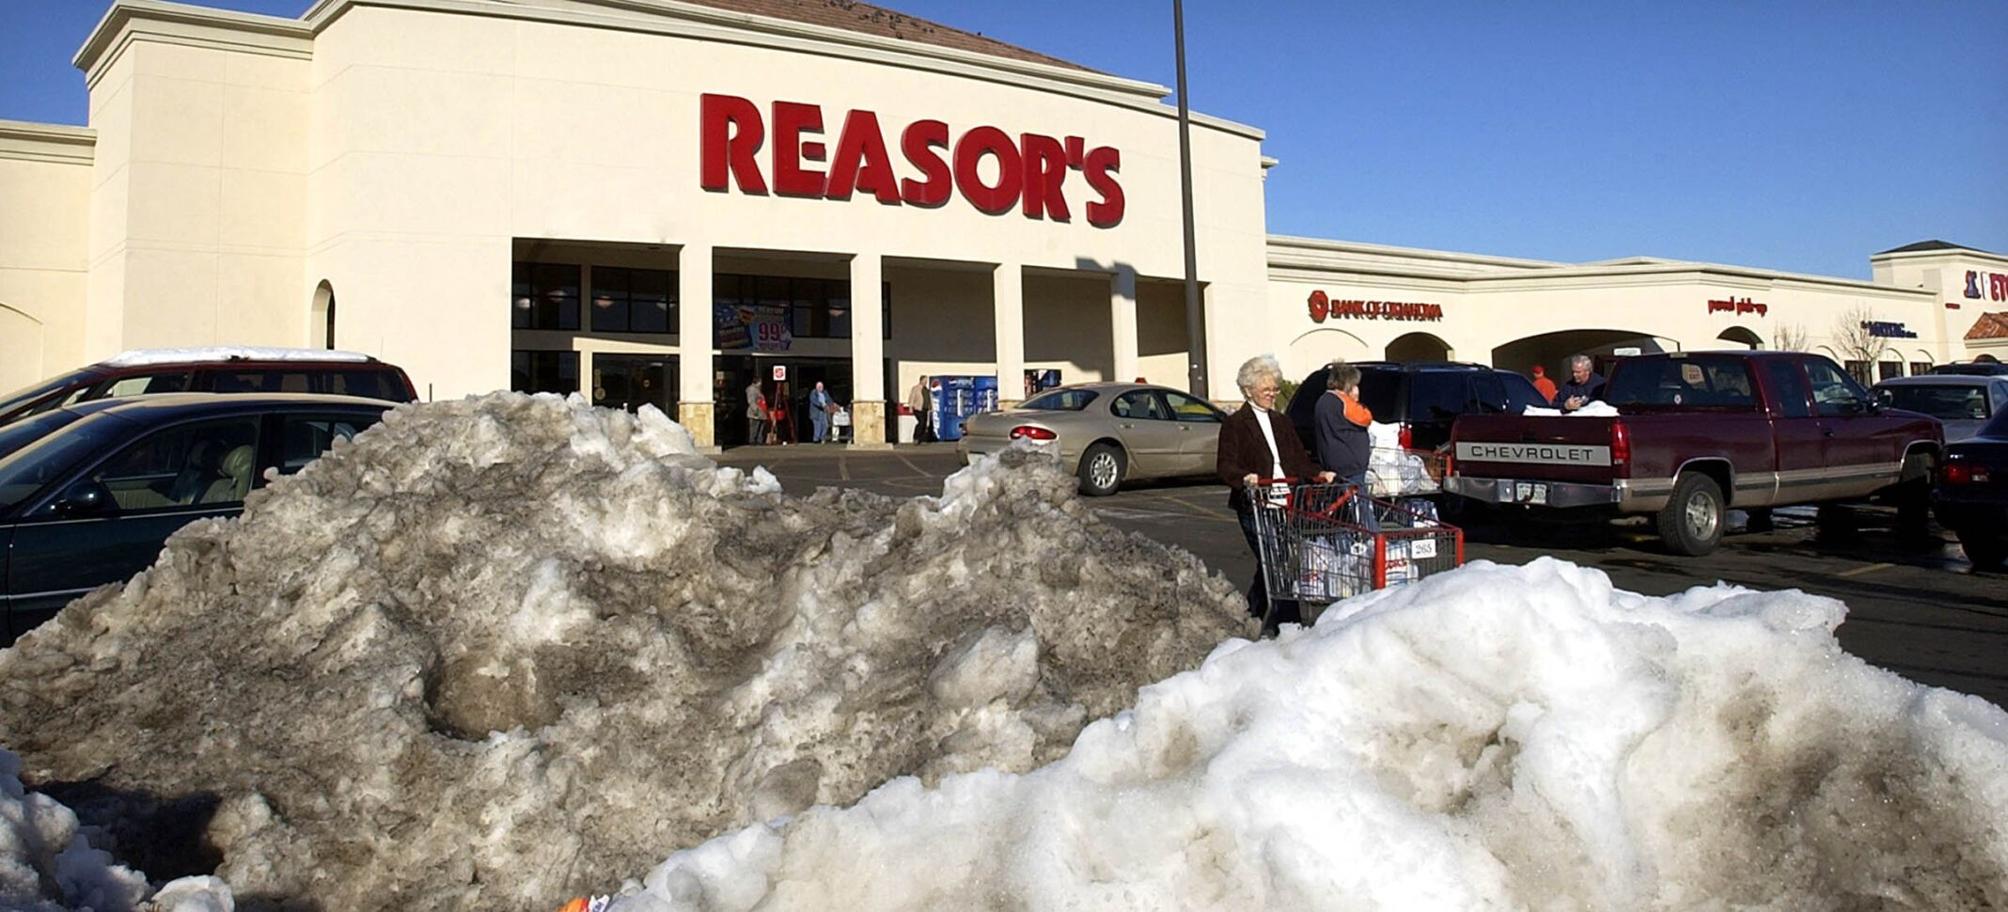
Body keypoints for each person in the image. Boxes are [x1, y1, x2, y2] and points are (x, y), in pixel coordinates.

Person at [1217, 354, 1333, 636]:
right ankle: (1286, 622)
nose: (1272, 394)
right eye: (1266, 389)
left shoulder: (1281, 422)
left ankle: (1251, 615)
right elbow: (1226, 466)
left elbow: (1298, 460)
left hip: (1284, 502)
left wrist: (1319, 472)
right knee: (1275, 562)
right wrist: (1245, 477)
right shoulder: (1236, 424)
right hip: (1255, 503)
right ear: (1248, 390)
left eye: (1275, 388)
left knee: (1276, 562)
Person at [906, 375, 933, 443]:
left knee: (924, 424)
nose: (925, 382)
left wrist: (931, 407)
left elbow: (929, 398)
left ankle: (921, 438)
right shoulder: (916, 388)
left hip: (925, 408)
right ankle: (916, 437)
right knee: (921, 422)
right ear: (921, 380)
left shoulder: (926, 390)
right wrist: (910, 407)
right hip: (917, 408)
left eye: (926, 381)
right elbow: (911, 398)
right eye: (924, 380)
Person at [744, 379, 766, 447]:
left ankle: (759, 440)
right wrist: (756, 410)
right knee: (754, 427)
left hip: (761, 411)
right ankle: (753, 440)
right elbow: (751, 401)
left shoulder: (757, 389)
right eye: (760, 382)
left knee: (760, 427)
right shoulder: (752, 390)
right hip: (756, 412)